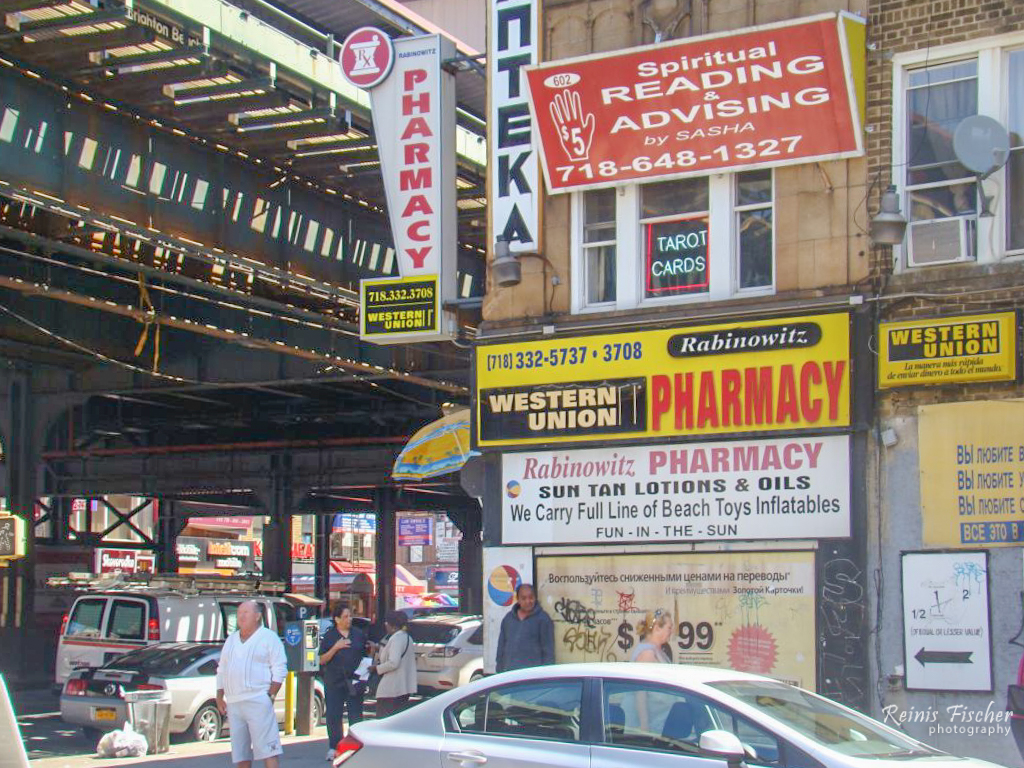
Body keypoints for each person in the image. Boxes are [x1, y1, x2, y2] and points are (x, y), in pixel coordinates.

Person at [216, 601, 288, 768]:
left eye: (246, 612)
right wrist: (220, 695)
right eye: (239, 612)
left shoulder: (268, 637)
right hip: (234, 702)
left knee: (268, 749)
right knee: (240, 752)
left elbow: (279, 667)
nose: (241, 616)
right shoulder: (231, 640)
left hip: (258, 698)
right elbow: (222, 668)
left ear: (257, 616)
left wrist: (271, 695)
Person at [319, 602, 368, 761]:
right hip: (334, 680)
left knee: (355, 715)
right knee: (334, 714)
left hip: (354, 680)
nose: (349, 619)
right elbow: (321, 659)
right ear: (337, 619)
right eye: (345, 617)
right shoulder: (330, 636)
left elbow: (366, 655)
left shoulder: (358, 634)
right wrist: (336, 647)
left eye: (350, 616)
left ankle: (355, 746)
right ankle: (335, 746)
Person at [496, 583, 555, 672]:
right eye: (524, 598)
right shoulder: (508, 619)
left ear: (535, 598)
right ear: (518, 600)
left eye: (531, 597)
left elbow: (548, 652)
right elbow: (501, 647)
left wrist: (545, 676)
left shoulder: (543, 619)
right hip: (509, 675)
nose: (528, 601)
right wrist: (499, 671)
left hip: (531, 677)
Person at [371, 610, 417, 717]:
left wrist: (376, 668)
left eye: (387, 623)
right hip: (403, 687)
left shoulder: (396, 638)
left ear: (393, 626)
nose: (385, 625)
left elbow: (393, 662)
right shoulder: (407, 637)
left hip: (392, 689)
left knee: (384, 720)